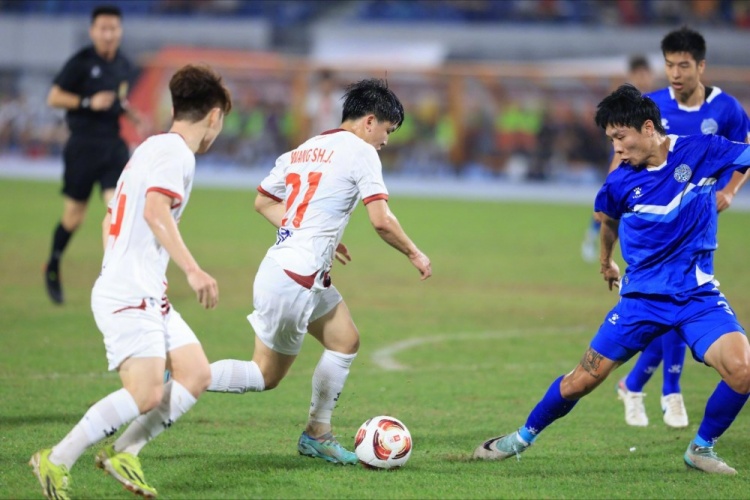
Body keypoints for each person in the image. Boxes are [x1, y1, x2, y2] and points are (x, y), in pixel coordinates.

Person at [473, 84, 750, 475]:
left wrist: (732, 190)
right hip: (641, 301)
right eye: (611, 140)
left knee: (743, 370)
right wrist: (606, 262)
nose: (616, 149)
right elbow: (608, 222)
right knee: (581, 381)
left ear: (649, 128)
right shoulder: (619, 183)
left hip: (697, 297)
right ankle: (519, 438)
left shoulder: (701, 150)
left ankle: (701, 448)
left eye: (620, 137)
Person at [30, 64, 232, 499]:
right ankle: (57, 458)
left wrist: (125, 265)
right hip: (131, 292)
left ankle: (124, 452)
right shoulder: (177, 154)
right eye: (221, 121)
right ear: (215, 116)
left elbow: (110, 220)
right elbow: (155, 211)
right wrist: (192, 269)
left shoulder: (150, 148)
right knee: (145, 394)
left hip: (142, 288)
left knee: (195, 373)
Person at [207, 78, 432, 465]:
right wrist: (414, 252)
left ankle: (317, 434)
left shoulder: (304, 149)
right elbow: (381, 220)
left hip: (289, 269)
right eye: (388, 130)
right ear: (369, 121)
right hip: (295, 278)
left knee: (345, 340)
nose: (385, 140)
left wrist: (308, 229)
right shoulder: (362, 152)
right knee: (265, 375)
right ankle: (183, 375)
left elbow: (263, 201)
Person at [615, 27, 750, 429]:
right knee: (675, 298)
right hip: (656, 223)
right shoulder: (653, 105)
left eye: (683, 65)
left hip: (699, 221)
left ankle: (634, 384)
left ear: (700, 66)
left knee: (677, 303)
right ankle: (670, 392)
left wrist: (730, 190)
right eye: (670, 65)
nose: (675, 73)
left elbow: (743, 152)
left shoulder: (725, 109)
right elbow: (624, 155)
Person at [44, 5, 146, 304]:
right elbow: (53, 97)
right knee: (74, 217)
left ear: (120, 31)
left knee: (118, 208)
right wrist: (88, 101)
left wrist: (130, 113)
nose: (108, 34)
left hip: (113, 146)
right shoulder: (80, 62)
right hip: (82, 146)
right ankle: (53, 263)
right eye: (103, 28)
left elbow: (118, 99)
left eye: (113, 28)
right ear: (93, 31)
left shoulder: (124, 65)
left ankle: (116, 277)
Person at [581, 54, 655, 263]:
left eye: (645, 74)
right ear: (631, 75)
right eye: (638, 74)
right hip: (623, 158)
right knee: (612, 197)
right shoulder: (624, 103)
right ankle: (592, 235)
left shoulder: (657, 101)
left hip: (647, 160)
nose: (642, 78)